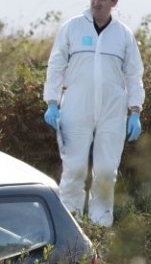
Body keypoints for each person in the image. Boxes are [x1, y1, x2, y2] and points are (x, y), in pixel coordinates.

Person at [43, 0, 145, 227]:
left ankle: (100, 226)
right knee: (74, 170)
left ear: (114, 2)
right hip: (76, 109)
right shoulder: (72, 27)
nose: (97, 3)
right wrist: (52, 101)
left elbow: (134, 74)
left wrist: (135, 110)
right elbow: (56, 65)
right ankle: (70, 226)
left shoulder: (123, 35)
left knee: (107, 171)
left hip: (112, 112)